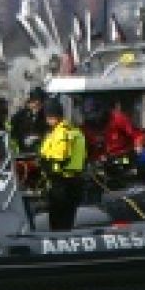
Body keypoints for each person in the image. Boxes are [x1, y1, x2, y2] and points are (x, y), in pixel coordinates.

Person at [38, 98, 88, 231]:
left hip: (61, 182)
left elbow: (60, 157)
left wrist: (44, 162)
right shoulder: (73, 131)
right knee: (67, 219)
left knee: (58, 220)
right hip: (73, 180)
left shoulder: (61, 132)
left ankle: (58, 243)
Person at [80, 96, 143, 187]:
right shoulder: (85, 128)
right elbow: (86, 148)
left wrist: (138, 147)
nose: (95, 120)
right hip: (99, 164)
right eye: (91, 117)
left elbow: (138, 135)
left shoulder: (118, 119)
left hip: (122, 160)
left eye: (96, 116)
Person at [8, 88, 48, 156]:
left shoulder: (44, 116)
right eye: (35, 103)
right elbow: (13, 133)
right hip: (23, 151)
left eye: (40, 104)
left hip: (41, 150)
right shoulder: (19, 116)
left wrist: (38, 137)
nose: (37, 107)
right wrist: (23, 139)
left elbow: (47, 131)